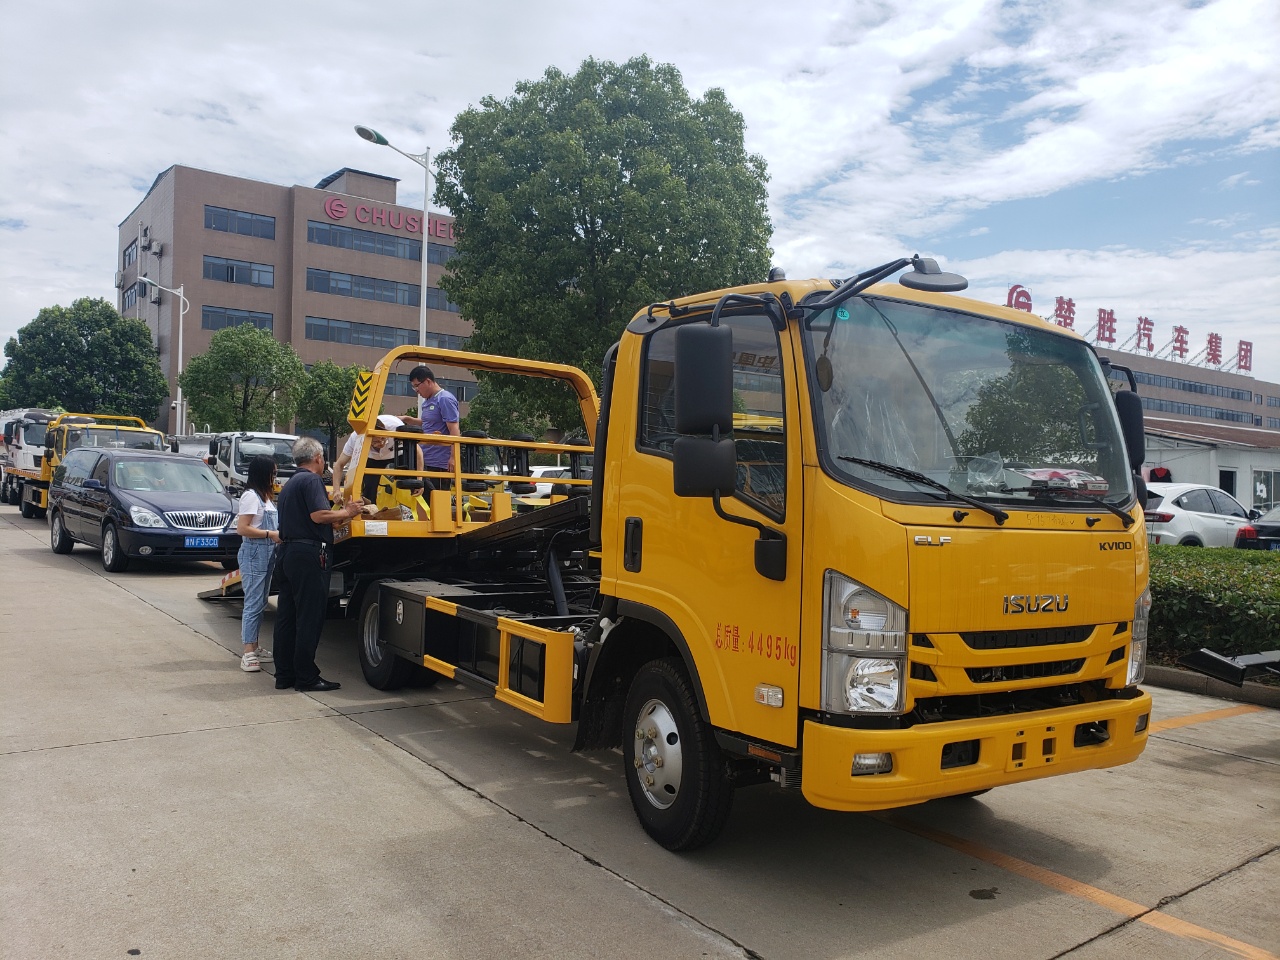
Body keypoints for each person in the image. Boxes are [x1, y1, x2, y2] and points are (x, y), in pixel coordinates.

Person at [272, 437, 364, 692]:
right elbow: (318, 516)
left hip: (288, 552)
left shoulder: (290, 484)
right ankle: (306, 677)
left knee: (287, 616)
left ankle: (284, 675)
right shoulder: (312, 480)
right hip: (309, 554)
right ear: (318, 458)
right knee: (309, 618)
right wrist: (348, 512)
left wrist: (338, 514)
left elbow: (314, 517)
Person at [234, 454, 281, 672]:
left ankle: (255, 645)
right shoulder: (251, 497)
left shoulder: (266, 497)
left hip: (268, 552)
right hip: (255, 552)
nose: (275, 477)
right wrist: (269, 533)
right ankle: (247, 652)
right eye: (273, 473)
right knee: (253, 603)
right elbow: (243, 528)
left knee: (261, 602)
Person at [331, 414, 422, 505]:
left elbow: (418, 452)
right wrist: (336, 490)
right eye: (376, 441)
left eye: (383, 438)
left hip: (398, 454)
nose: (381, 443)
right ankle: (370, 512)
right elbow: (339, 465)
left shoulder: (395, 427)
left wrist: (420, 479)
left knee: (417, 484)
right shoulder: (356, 438)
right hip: (372, 458)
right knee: (369, 488)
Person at [402, 365, 461, 485]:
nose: (416, 391)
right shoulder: (428, 401)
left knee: (436, 499)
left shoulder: (444, 399)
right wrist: (409, 419)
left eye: (417, 386)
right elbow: (430, 423)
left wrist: (454, 458)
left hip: (438, 462)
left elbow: (454, 429)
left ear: (428, 381)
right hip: (425, 459)